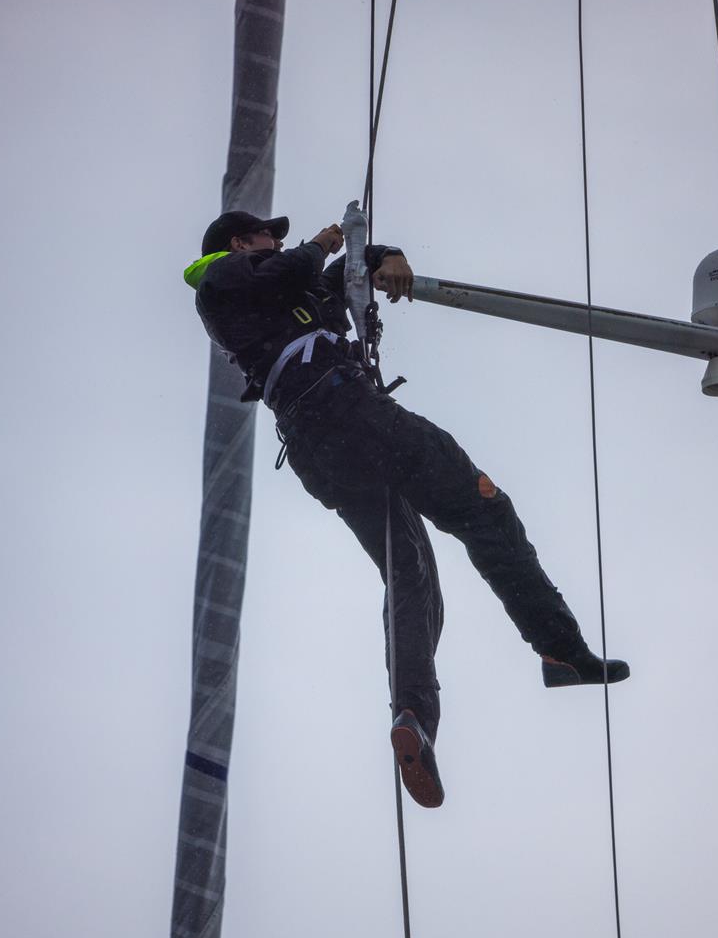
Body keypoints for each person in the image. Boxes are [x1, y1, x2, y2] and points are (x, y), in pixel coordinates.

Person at [183, 211, 629, 809]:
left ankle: (414, 717)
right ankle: (560, 648)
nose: (279, 241)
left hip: (324, 444)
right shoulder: (222, 278)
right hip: (345, 413)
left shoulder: (281, 285)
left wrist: (382, 253)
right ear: (241, 243)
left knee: (412, 576)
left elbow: (344, 273)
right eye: (269, 235)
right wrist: (318, 243)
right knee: (484, 511)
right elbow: (296, 266)